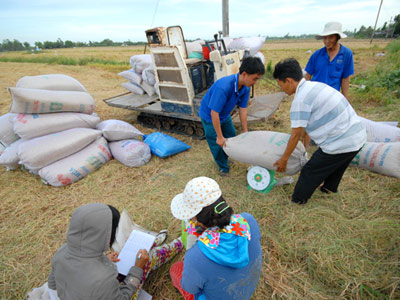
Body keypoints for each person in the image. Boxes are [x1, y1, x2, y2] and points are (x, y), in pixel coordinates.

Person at [273, 58, 366, 205]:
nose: (282, 89)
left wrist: (284, 159)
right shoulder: (314, 86)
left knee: (310, 170)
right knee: (338, 164)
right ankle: (329, 189)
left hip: (342, 140)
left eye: (281, 85)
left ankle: (298, 200)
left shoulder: (301, 100)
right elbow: (306, 127)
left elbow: (295, 135)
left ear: (289, 81)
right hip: (358, 136)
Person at [47, 203, 183, 300]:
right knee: (149, 259)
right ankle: (180, 243)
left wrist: (103, 259)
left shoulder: (61, 252)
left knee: (135, 253)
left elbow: (53, 285)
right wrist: (137, 269)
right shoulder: (103, 277)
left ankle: (154, 241)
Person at [169, 176, 262, 300]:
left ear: (195, 219)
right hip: (246, 288)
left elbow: (189, 288)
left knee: (175, 268)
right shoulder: (248, 220)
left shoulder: (195, 256)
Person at [199, 56, 265, 176]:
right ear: (244, 74)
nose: (255, 82)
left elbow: (243, 110)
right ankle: (223, 167)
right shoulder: (223, 87)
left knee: (232, 137)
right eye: (255, 79)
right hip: (210, 116)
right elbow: (214, 113)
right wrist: (219, 136)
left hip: (224, 114)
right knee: (217, 143)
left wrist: (245, 131)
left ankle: (227, 157)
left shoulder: (245, 88)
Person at [304, 21, 354, 99]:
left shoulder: (346, 54)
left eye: (331, 37)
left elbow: (345, 79)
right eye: (325, 37)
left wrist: (345, 100)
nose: (327, 41)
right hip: (316, 97)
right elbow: (307, 77)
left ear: (337, 37)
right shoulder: (316, 55)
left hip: (333, 98)